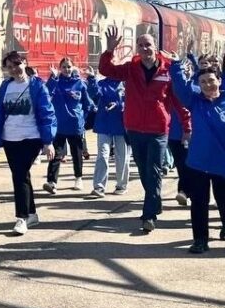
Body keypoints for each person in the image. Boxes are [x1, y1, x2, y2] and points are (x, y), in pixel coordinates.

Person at [98, 25, 176, 233]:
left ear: (155, 47)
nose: (144, 48)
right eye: (140, 45)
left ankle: (148, 215)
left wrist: (186, 126)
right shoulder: (131, 68)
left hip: (158, 129)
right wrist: (109, 50)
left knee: (154, 170)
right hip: (134, 127)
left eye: (148, 45)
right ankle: (155, 202)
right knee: (143, 171)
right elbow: (107, 70)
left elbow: (177, 100)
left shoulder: (169, 69)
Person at [169, 57, 225, 254]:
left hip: (223, 164)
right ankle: (200, 240)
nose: (207, 84)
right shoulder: (195, 102)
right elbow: (180, 87)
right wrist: (176, 65)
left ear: (220, 81)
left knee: (223, 198)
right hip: (198, 162)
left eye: (211, 80)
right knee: (199, 202)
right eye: (203, 82)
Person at [0, 50, 56, 235]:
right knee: (22, 176)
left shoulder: (37, 86)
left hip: (31, 137)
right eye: (9, 67)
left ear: (24, 63)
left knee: (19, 175)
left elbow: (46, 114)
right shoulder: (5, 87)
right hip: (10, 138)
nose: (14, 70)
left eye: (16, 65)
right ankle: (32, 214)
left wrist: (47, 141)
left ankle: (21, 218)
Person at [43, 57, 91, 192]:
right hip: (58, 126)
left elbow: (87, 104)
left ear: (73, 67)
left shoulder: (80, 84)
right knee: (56, 155)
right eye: (64, 67)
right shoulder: (56, 83)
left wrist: (82, 119)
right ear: (60, 69)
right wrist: (52, 78)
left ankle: (78, 178)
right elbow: (46, 93)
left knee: (77, 154)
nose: (67, 69)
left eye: (69, 67)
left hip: (75, 125)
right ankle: (52, 182)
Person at [87, 74, 128, 197]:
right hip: (104, 124)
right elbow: (94, 94)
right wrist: (91, 79)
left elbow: (132, 100)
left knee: (122, 156)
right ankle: (99, 187)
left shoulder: (125, 82)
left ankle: (121, 185)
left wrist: (119, 105)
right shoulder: (101, 83)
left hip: (121, 124)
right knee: (103, 155)